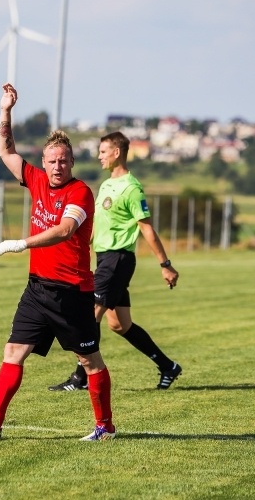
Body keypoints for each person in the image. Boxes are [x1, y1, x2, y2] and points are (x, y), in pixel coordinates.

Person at [0, 83, 115, 441]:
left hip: (72, 293)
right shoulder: (35, 178)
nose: (57, 166)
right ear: (43, 163)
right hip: (37, 289)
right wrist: (5, 110)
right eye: (52, 161)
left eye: (63, 160)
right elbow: (6, 149)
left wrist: (21, 243)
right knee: (13, 351)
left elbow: (64, 229)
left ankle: (105, 427)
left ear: (72, 162)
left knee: (89, 362)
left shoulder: (80, 193)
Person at [49, 131, 182, 392]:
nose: (98, 156)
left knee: (89, 317)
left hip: (118, 260)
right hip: (105, 259)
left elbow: (146, 229)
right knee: (120, 324)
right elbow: (100, 225)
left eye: (103, 151)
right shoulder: (107, 185)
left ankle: (80, 378)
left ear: (117, 153)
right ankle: (168, 366)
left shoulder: (131, 188)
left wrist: (165, 265)